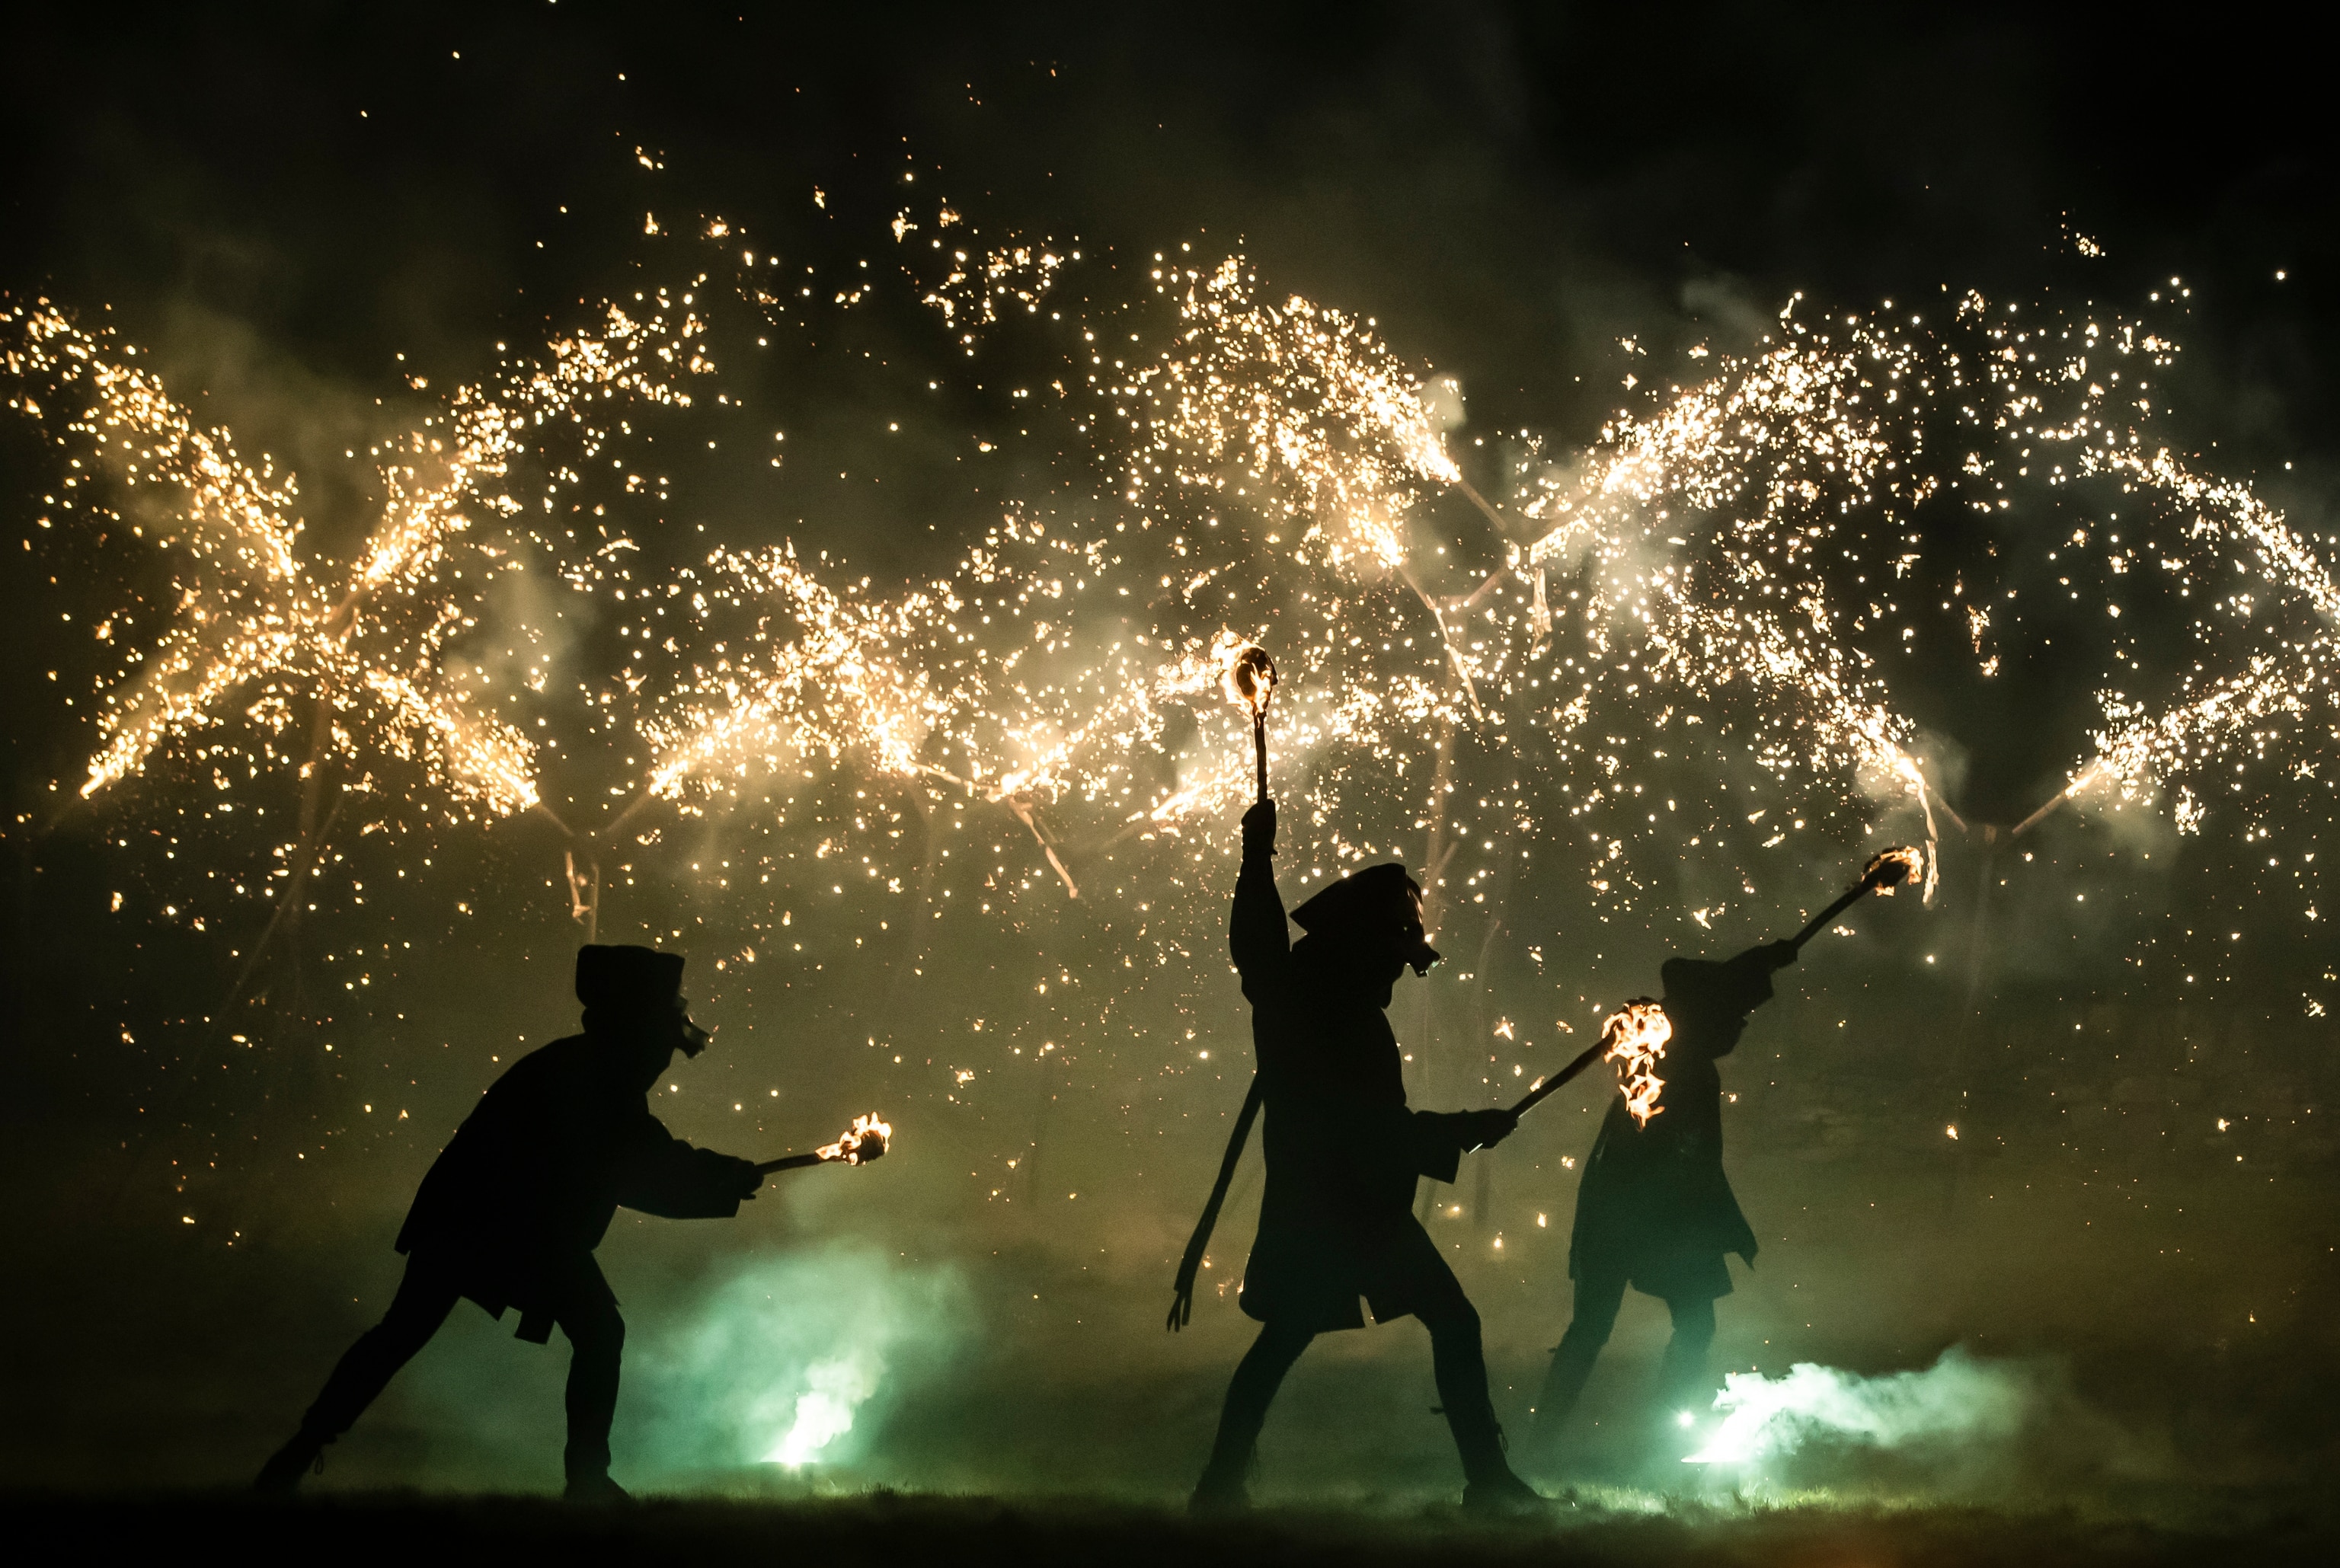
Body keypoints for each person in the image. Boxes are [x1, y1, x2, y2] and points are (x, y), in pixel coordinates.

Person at [254, 944, 765, 1500]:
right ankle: (587, 1481)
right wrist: (723, 1176)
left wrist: (720, 1178)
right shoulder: (593, 1076)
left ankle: (296, 1455)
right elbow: (639, 1164)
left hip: (493, 1219)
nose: (677, 1024)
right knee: (588, 1330)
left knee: (402, 1334)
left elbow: (635, 1163)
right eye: (666, 1008)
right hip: (492, 1220)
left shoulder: (588, 1065)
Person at [1189, 797, 1542, 1513]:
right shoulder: (1311, 1007)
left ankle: (1221, 1486)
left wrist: (1258, 856)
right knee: (1428, 1320)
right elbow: (1368, 1129)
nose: (1400, 968)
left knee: (1299, 1335)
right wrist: (1462, 1127)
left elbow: (1259, 951)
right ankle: (1489, 1482)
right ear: (1364, 946)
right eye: (1393, 951)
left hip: (1342, 1203)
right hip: (1336, 1207)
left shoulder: (1309, 998)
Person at [1530, 940, 1795, 1462]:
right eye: (1733, 1015)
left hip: (1666, 1218)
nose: (1740, 1026)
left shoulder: (1675, 1057)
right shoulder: (1668, 1064)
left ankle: (1655, 1441)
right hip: (1637, 1217)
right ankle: (1555, 1446)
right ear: (1705, 1017)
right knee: (1601, 1328)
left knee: (1676, 1326)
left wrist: (1766, 959)